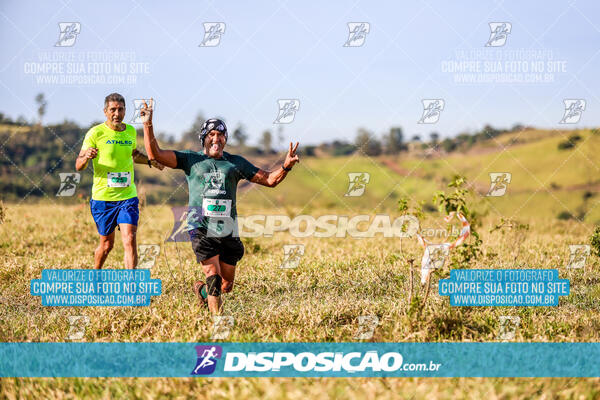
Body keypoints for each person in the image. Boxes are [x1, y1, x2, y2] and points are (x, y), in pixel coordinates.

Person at [140, 100, 299, 314]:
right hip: (200, 225)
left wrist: (285, 166)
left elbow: (270, 180)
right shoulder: (190, 159)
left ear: (225, 139)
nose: (216, 138)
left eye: (220, 135)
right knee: (213, 277)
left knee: (226, 286)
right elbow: (156, 155)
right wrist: (147, 124)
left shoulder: (236, 163)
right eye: (211, 134)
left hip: (228, 228)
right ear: (204, 138)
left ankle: (202, 292)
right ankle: (218, 325)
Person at [76, 93, 163, 269]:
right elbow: (79, 165)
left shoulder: (130, 131)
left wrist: (149, 161)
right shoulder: (95, 132)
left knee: (129, 239)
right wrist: (86, 157)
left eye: (120, 109)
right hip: (103, 198)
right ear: (105, 111)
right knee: (107, 246)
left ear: (125, 111)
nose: (117, 113)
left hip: (127, 196)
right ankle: (96, 274)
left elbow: (133, 155)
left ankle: (130, 288)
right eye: (113, 109)